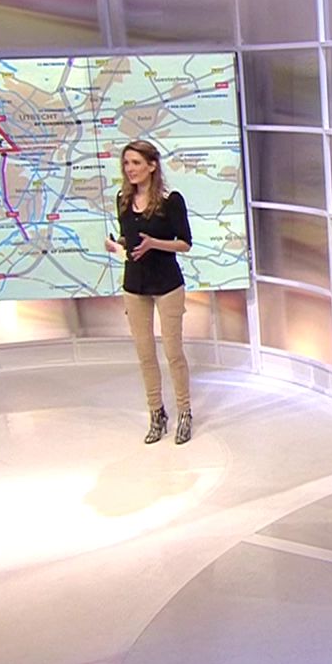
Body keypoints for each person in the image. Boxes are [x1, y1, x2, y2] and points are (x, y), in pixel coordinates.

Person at [104, 140, 195, 445]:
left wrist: (155, 243)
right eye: (126, 163)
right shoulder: (122, 199)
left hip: (167, 284)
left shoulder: (171, 201)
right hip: (135, 285)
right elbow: (128, 240)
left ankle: (185, 413)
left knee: (173, 353)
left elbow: (185, 243)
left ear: (152, 166)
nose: (130, 169)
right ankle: (157, 413)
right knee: (145, 355)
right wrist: (117, 245)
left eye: (136, 163)